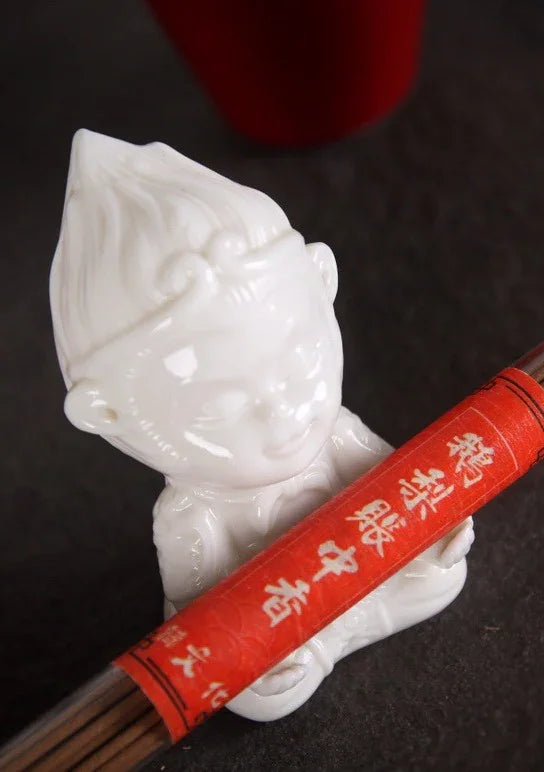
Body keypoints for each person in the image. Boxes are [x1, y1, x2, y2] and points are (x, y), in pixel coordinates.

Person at [51, 130, 475, 720]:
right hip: (294, 631)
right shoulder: (193, 516)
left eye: (302, 363)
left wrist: (434, 522)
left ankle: (366, 616)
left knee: (436, 576)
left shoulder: (337, 431)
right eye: (221, 409)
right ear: (110, 419)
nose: (285, 413)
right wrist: (249, 650)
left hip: (374, 579)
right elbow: (197, 614)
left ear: (323, 283)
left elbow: (400, 483)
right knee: (255, 689)